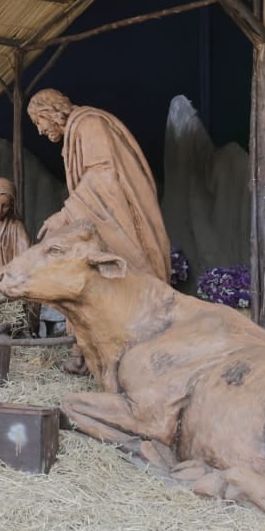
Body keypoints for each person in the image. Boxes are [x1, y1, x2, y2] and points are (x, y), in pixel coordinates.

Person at [27, 88, 170, 374]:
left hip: (122, 222)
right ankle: (93, 355)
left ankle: (140, 357)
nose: (41, 132)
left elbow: (102, 175)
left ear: (49, 113)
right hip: (105, 217)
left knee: (130, 280)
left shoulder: (90, 125)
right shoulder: (78, 130)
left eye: (38, 123)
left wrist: (65, 214)